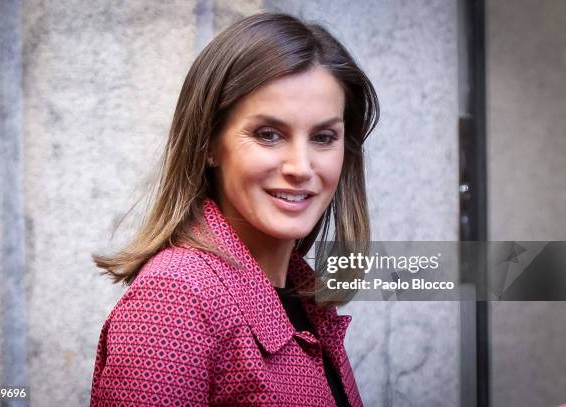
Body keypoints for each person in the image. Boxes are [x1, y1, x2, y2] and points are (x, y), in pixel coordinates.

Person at [90, 11, 379, 407]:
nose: (301, 167)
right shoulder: (175, 300)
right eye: (269, 134)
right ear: (209, 143)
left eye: (323, 137)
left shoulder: (302, 297)